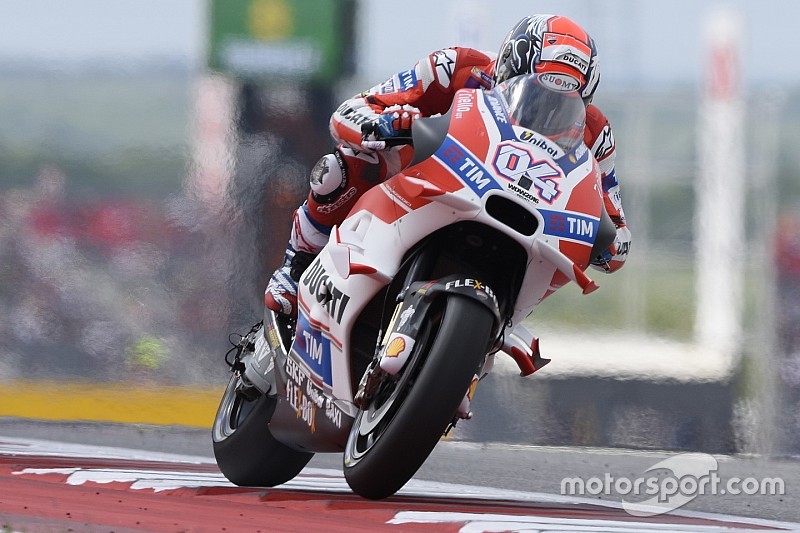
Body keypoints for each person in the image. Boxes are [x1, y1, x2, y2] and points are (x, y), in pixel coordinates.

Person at [265, 14, 632, 317]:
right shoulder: (455, 66)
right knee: (341, 168)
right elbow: (350, 112)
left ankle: (469, 364)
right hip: (430, 180)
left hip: (522, 224)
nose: (546, 110)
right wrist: (386, 124)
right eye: (535, 91)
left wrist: (609, 242)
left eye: (562, 102)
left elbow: (616, 227)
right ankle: (296, 264)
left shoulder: (595, 133)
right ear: (509, 65)